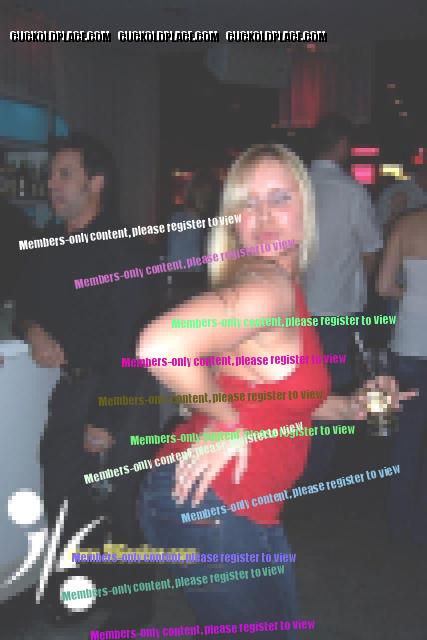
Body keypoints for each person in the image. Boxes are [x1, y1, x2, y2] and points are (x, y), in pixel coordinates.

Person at [136, 144, 414, 639]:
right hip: (218, 501)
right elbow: (160, 345)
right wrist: (226, 419)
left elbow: (281, 400)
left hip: (222, 502)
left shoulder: (284, 286)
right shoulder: (269, 285)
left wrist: (352, 406)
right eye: (248, 203)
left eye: (279, 198)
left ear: (307, 210)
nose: (263, 216)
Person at [15, 132, 159, 625]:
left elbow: (133, 343)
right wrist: (33, 330)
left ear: (96, 182)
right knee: (63, 498)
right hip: (73, 388)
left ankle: (134, 606)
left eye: (64, 174)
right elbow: (27, 305)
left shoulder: (124, 249)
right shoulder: (50, 247)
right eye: (51, 174)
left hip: (121, 394)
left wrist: (105, 420)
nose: (52, 185)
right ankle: (80, 594)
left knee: (121, 507)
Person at [302, 114, 383, 480]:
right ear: (343, 145)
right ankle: (317, 469)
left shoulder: (295, 185)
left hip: (293, 308)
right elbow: (370, 247)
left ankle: (296, 462)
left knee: (297, 385)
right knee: (332, 386)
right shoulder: (351, 191)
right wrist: (360, 281)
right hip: (337, 307)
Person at [377, 209, 427, 544]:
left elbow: (383, 286)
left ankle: (398, 521)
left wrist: (411, 293)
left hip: (409, 343)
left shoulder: (406, 224)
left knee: (405, 437)